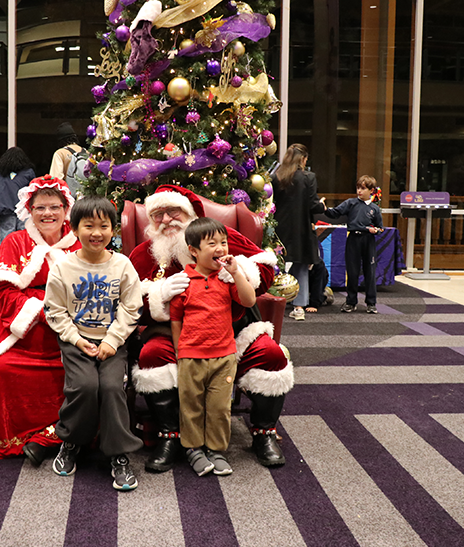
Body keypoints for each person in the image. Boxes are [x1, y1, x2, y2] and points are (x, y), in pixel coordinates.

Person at [129, 185, 292, 470]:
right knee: (151, 357)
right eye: (158, 215)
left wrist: (239, 273)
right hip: (176, 335)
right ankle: (170, 434)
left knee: (272, 355)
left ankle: (263, 433)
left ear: (189, 213)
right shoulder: (144, 254)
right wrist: (159, 295)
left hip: (234, 331)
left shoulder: (221, 240)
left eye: (173, 211)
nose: (166, 219)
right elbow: (130, 304)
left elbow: (266, 268)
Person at [0, 176, 81, 462]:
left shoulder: (80, 242)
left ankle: (55, 435)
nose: (47, 213)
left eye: (54, 207)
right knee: (2, 367)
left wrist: (64, 314)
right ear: (30, 209)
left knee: (81, 374)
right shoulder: (15, 241)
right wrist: (43, 310)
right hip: (18, 324)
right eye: (40, 207)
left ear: (66, 209)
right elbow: (2, 292)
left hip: (70, 326)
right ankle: (23, 436)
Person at [45, 197, 143, 490]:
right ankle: (72, 442)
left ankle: (119, 454)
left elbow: (131, 306)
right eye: (88, 225)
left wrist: (112, 341)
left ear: (113, 230)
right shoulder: (63, 266)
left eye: (104, 226)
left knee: (113, 387)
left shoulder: (122, 265)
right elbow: (54, 310)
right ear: (75, 229)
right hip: (77, 342)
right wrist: (76, 339)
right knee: (85, 386)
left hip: (113, 343)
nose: (96, 232)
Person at [170, 218, 257, 477]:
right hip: (191, 356)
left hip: (224, 356)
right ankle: (193, 449)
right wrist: (179, 352)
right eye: (212, 243)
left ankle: (216, 450)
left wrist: (236, 272)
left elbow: (249, 299)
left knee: (219, 407)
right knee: (191, 405)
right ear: (193, 250)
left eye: (223, 242)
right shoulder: (183, 281)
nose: (220, 248)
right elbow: (176, 320)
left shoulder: (226, 279)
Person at [271, 144, 326, 319]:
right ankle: (299, 308)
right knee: (301, 266)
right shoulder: (308, 177)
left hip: (279, 229)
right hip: (301, 229)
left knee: (276, 266)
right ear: (303, 159)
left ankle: (272, 304)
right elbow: (313, 204)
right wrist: (322, 205)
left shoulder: (275, 177)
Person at [323, 175, 384, 313]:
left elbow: (381, 227)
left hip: (368, 240)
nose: (359, 191)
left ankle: (371, 303)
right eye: (358, 188)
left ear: (371, 190)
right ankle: (351, 301)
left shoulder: (375, 208)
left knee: (370, 272)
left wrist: (376, 231)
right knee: (352, 271)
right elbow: (335, 213)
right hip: (353, 240)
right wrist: (325, 209)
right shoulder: (350, 203)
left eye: (363, 188)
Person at [0, 146, 35, 242]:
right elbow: (32, 191)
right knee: (23, 235)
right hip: (23, 209)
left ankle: (7, 256)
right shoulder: (28, 172)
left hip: (5, 209)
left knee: (7, 235)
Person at [49, 122, 84, 194]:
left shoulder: (60, 153)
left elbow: (56, 179)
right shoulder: (86, 152)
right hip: (85, 195)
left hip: (70, 195)